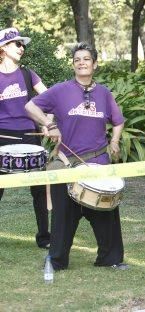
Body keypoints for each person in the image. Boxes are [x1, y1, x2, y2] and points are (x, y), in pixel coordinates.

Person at [25, 42, 127, 270]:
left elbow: (118, 121)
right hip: (67, 164)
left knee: (106, 213)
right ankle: (56, 260)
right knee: (62, 216)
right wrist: (49, 124)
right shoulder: (60, 90)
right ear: (73, 65)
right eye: (77, 59)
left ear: (95, 64)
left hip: (98, 162)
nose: (81, 62)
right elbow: (30, 106)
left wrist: (114, 141)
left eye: (86, 59)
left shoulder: (104, 93)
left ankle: (110, 259)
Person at [0, 27, 50, 249]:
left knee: (39, 188)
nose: (22, 48)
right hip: (2, 137)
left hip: (30, 136)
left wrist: (49, 122)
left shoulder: (29, 75)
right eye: (16, 44)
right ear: (3, 48)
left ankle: (44, 237)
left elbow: (51, 99)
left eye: (23, 44)